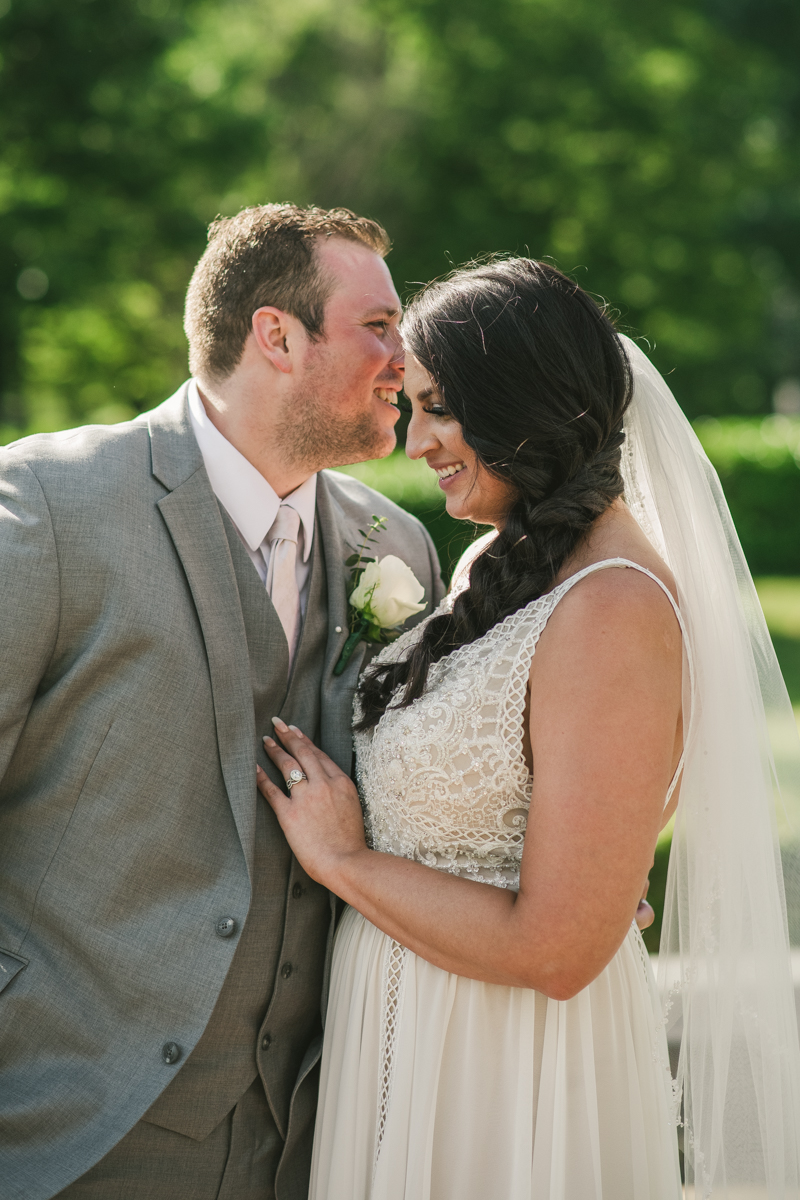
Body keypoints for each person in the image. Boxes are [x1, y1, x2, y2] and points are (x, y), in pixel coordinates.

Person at [257, 258, 800, 1197]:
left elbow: (557, 951)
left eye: (438, 407)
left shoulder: (615, 608)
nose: (416, 439)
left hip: (509, 1062)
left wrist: (344, 862)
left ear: (524, 404)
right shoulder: (488, 565)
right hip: (398, 1024)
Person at [0, 203, 445, 1200]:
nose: (407, 362)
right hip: (58, 1130)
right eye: (378, 326)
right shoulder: (46, 508)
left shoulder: (396, 548)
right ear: (276, 336)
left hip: (310, 1144)